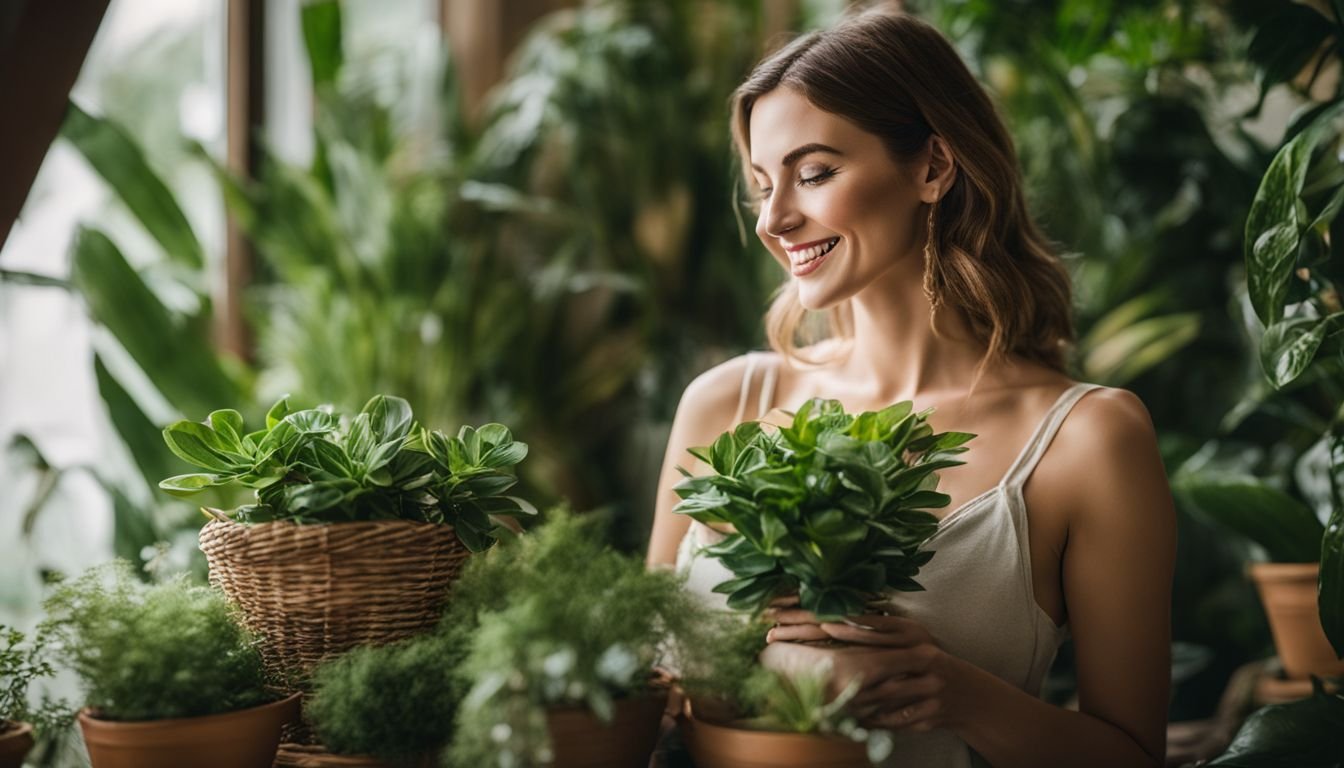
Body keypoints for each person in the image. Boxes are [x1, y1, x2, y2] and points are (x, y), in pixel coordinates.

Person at [645, 10, 1174, 768]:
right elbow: (643, 692)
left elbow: (1132, 756)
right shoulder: (725, 404)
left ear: (932, 167)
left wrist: (955, 692)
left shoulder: (1088, 441)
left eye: (816, 172)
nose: (775, 218)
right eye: (764, 183)